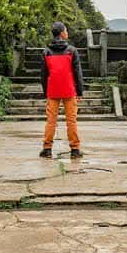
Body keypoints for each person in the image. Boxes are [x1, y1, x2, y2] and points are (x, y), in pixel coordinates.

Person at [39, 21, 84, 159]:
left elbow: (43, 75)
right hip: (69, 90)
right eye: (66, 30)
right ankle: (75, 150)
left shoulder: (46, 52)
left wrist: (45, 91)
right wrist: (80, 91)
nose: (67, 32)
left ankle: (47, 149)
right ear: (62, 33)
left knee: (51, 121)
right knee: (71, 120)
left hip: (53, 90)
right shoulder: (72, 51)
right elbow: (77, 72)